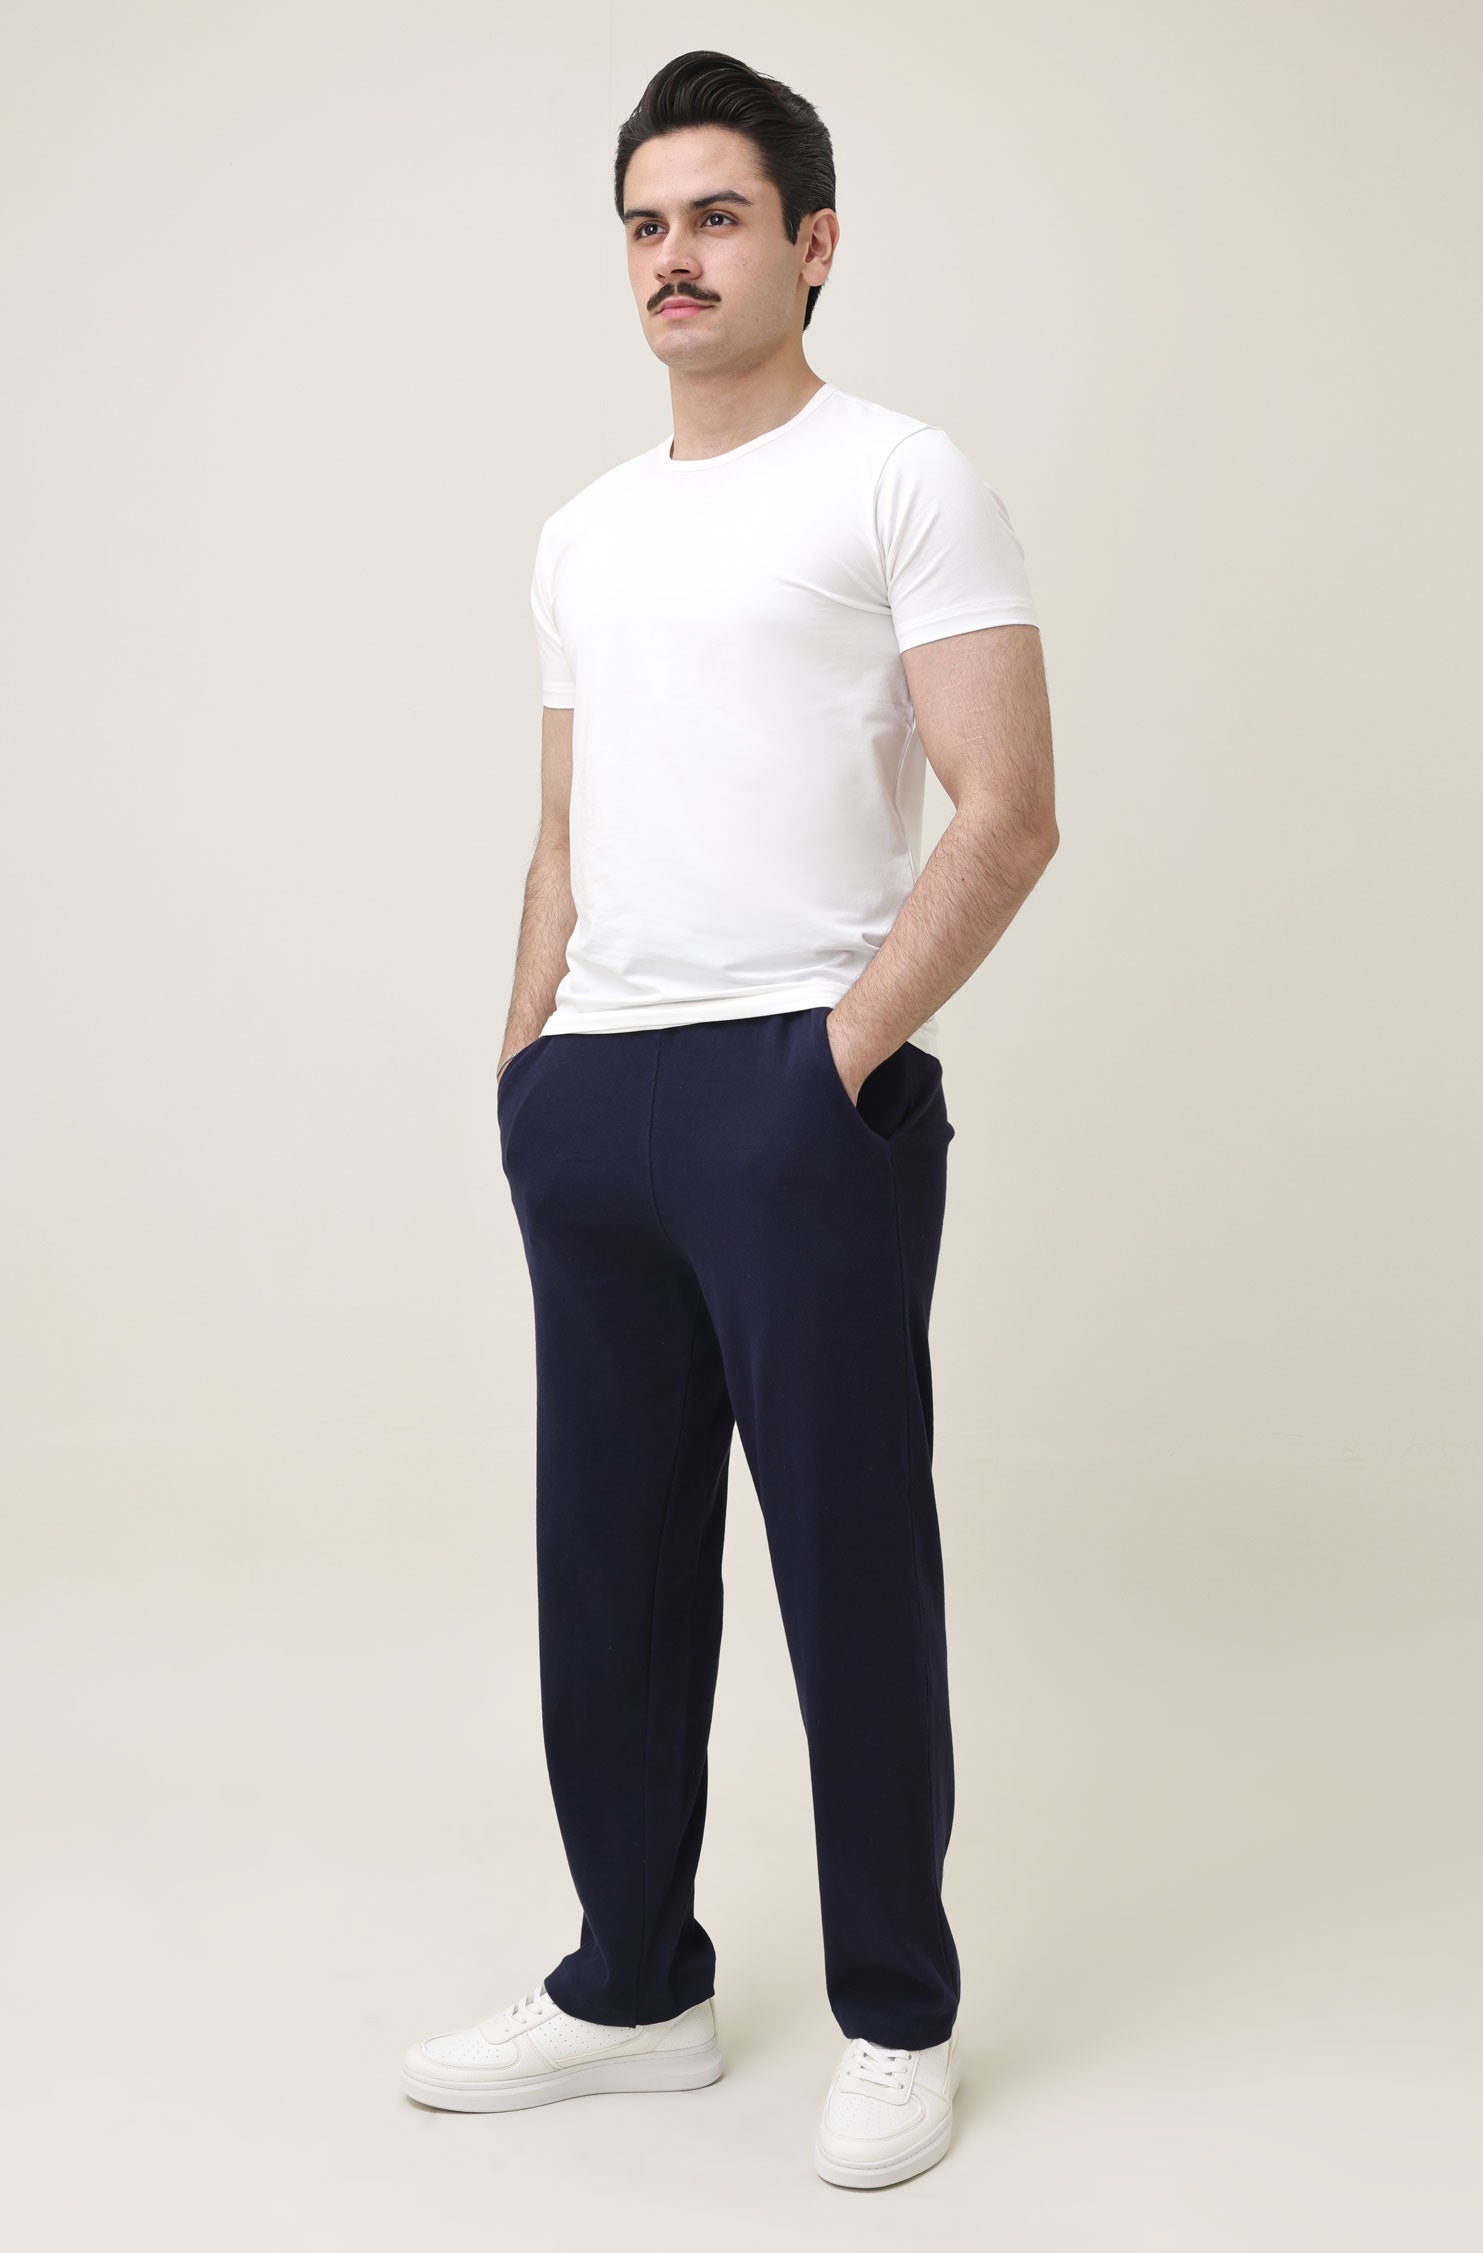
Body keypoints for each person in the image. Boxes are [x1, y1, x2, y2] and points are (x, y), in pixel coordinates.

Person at [401, 48, 1058, 2190]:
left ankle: (898, 2009)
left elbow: (1010, 808)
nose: (673, 258)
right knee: (605, 1565)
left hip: (799, 1086)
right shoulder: (583, 531)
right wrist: (528, 1067)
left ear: (812, 244)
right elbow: (561, 828)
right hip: (598, 1094)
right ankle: (633, 1982)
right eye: (645, 224)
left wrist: (834, 1060)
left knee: (849, 1558)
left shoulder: (901, 479)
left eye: (716, 217)